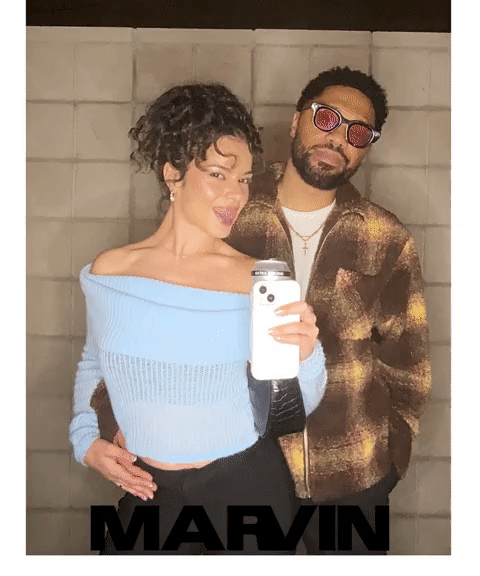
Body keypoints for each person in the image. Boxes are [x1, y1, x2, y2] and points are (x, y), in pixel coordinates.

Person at [94, 66, 431, 555]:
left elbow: (409, 367)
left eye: (358, 133)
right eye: (327, 118)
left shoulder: (387, 237)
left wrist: (390, 460)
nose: (338, 138)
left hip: (351, 477)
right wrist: (115, 425)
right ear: (296, 120)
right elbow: (143, 329)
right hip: (233, 470)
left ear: (365, 147)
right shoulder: (226, 209)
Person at [69, 83, 327, 556]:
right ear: (173, 174)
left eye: (244, 179)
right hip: (149, 488)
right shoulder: (111, 272)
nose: (236, 194)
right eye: (218, 174)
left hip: (245, 484)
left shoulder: (255, 278)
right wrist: (85, 439)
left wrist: (307, 357)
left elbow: (296, 405)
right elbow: (94, 361)